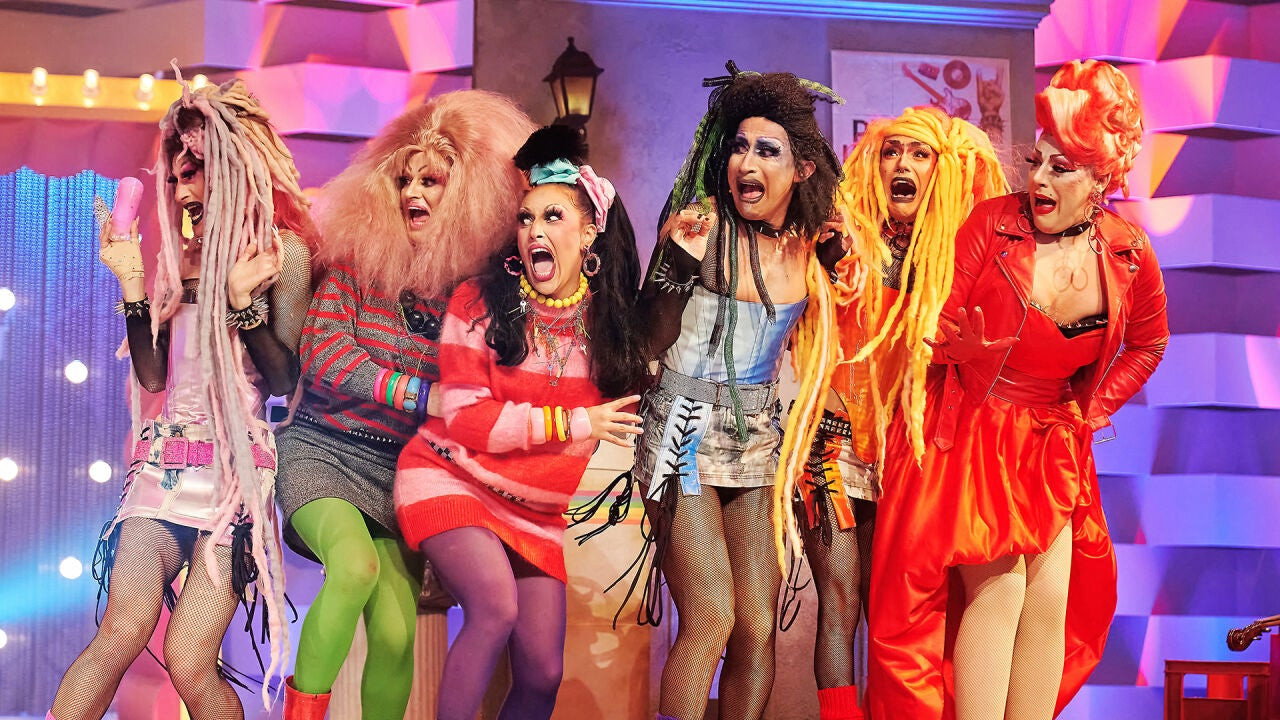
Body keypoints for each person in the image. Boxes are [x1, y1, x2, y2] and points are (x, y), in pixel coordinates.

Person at [866, 59, 1168, 720]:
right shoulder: (992, 223)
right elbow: (936, 324)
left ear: (1101, 178)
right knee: (999, 590)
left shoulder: (1129, 253)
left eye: (1062, 168)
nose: (1038, 180)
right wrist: (960, 352)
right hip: (975, 429)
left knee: (1051, 600)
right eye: (1037, 161)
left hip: (1051, 438)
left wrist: (1091, 410)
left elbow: (1150, 343)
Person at [50, 76, 314, 720]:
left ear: (234, 169)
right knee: (120, 632)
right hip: (161, 472)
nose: (182, 191)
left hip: (235, 482)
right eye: (174, 178)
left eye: (193, 173)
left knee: (190, 657)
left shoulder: (282, 253)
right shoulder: (179, 255)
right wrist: (134, 285)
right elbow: (152, 376)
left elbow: (284, 379)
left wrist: (242, 302)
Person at [272, 90, 535, 720]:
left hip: (405, 472)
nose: (412, 192)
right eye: (404, 179)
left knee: (395, 633)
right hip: (321, 448)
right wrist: (421, 393)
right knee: (353, 568)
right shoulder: (355, 264)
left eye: (432, 181)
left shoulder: (477, 296)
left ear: (470, 194)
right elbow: (325, 356)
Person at [394, 125, 648, 720]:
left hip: (536, 511)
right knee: (495, 608)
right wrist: (574, 423)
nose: (535, 230)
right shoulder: (477, 303)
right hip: (450, 476)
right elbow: (467, 420)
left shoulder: (612, 325)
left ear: (589, 232)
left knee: (543, 672)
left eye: (553, 217)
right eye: (526, 218)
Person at [631, 62, 844, 720]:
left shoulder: (812, 248)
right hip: (681, 428)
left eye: (766, 150)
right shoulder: (701, 230)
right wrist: (674, 264)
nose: (746, 163)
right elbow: (644, 341)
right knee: (712, 616)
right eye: (740, 147)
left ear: (802, 169)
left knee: (756, 628)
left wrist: (846, 258)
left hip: (757, 438)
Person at [781, 106, 1007, 720]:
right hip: (831, 449)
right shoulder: (844, 237)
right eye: (890, 152)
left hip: (910, 461)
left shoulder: (957, 259)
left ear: (943, 170)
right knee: (839, 605)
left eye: (918, 153)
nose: (901, 164)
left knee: (894, 616)